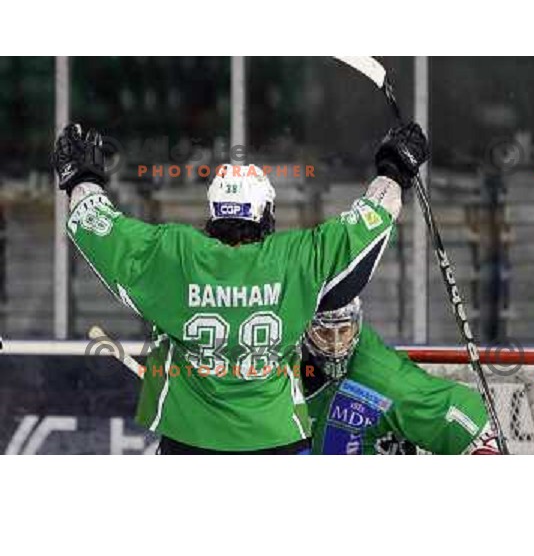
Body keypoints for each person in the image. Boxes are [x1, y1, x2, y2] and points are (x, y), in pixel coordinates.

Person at [51, 122, 429, 454]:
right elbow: (373, 218)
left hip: (189, 437)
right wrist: (395, 169)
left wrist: (81, 177)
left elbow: (92, 223)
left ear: (214, 212)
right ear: (266, 213)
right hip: (276, 436)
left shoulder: (173, 253)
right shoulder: (298, 256)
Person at [301, 298, 500, 454]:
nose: (336, 345)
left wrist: (483, 451)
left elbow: (459, 411)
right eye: (325, 333)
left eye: (343, 331)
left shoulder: (380, 375)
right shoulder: (282, 357)